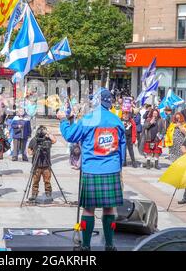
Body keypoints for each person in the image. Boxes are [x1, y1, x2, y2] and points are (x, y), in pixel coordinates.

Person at [58, 87, 125, 251]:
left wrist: (63, 121)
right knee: (109, 208)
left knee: (88, 209)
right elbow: (122, 148)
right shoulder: (117, 121)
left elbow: (70, 136)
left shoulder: (88, 119)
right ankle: (110, 245)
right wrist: (118, 166)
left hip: (92, 170)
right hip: (111, 169)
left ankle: (86, 247)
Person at [27, 125, 57, 201]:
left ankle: (48, 193)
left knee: (47, 181)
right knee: (35, 181)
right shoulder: (34, 140)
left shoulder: (47, 139)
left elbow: (54, 140)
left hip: (46, 164)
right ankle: (34, 194)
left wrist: (48, 133)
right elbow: (29, 150)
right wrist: (34, 152)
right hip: (37, 164)